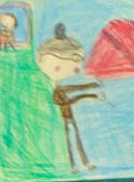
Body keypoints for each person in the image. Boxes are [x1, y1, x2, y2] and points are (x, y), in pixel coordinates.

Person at [35, 26, 103, 173]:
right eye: (58, 67)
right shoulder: (56, 93)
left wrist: (91, 86)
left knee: (76, 139)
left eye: (75, 67)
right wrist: (90, 95)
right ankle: (73, 165)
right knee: (68, 142)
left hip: (69, 119)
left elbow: (73, 88)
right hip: (63, 120)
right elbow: (68, 101)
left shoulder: (61, 88)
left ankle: (84, 163)